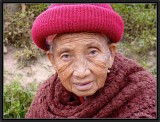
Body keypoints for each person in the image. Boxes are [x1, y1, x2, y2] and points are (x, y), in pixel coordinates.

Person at [25, 3, 156, 118]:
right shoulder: (47, 99)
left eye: (93, 52)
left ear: (110, 53)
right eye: (66, 56)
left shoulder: (144, 94)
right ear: (52, 60)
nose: (81, 72)